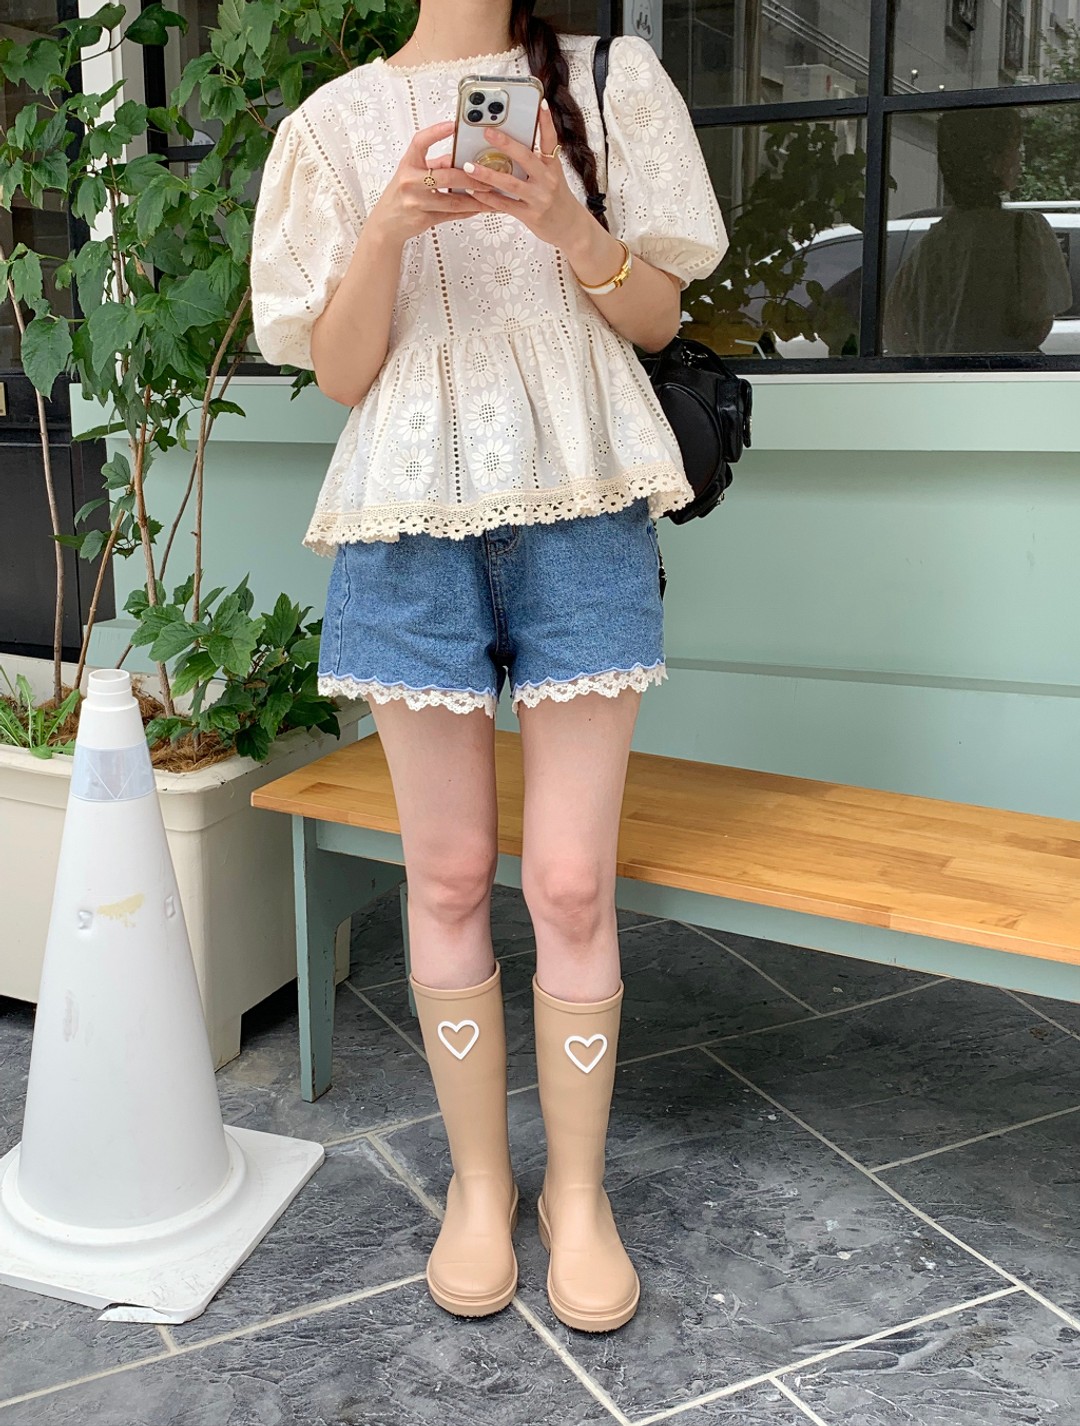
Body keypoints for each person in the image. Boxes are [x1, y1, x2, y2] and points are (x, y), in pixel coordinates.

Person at [250, 0, 726, 1334]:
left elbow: (655, 318)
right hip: (406, 522)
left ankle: (577, 1192)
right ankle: (476, 1183)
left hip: (584, 504)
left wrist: (566, 222)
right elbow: (343, 374)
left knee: (571, 881)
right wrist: (390, 229)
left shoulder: (610, 81)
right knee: (450, 872)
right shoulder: (332, 127)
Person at [884, 107, 1072, 356]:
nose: (1020, 158)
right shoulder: (1024, 231)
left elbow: (898, 335)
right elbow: (1038, 322)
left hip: (937, 377)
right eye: (1015, 148)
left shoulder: (930, 245)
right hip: (1002, 375)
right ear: (992, 161)